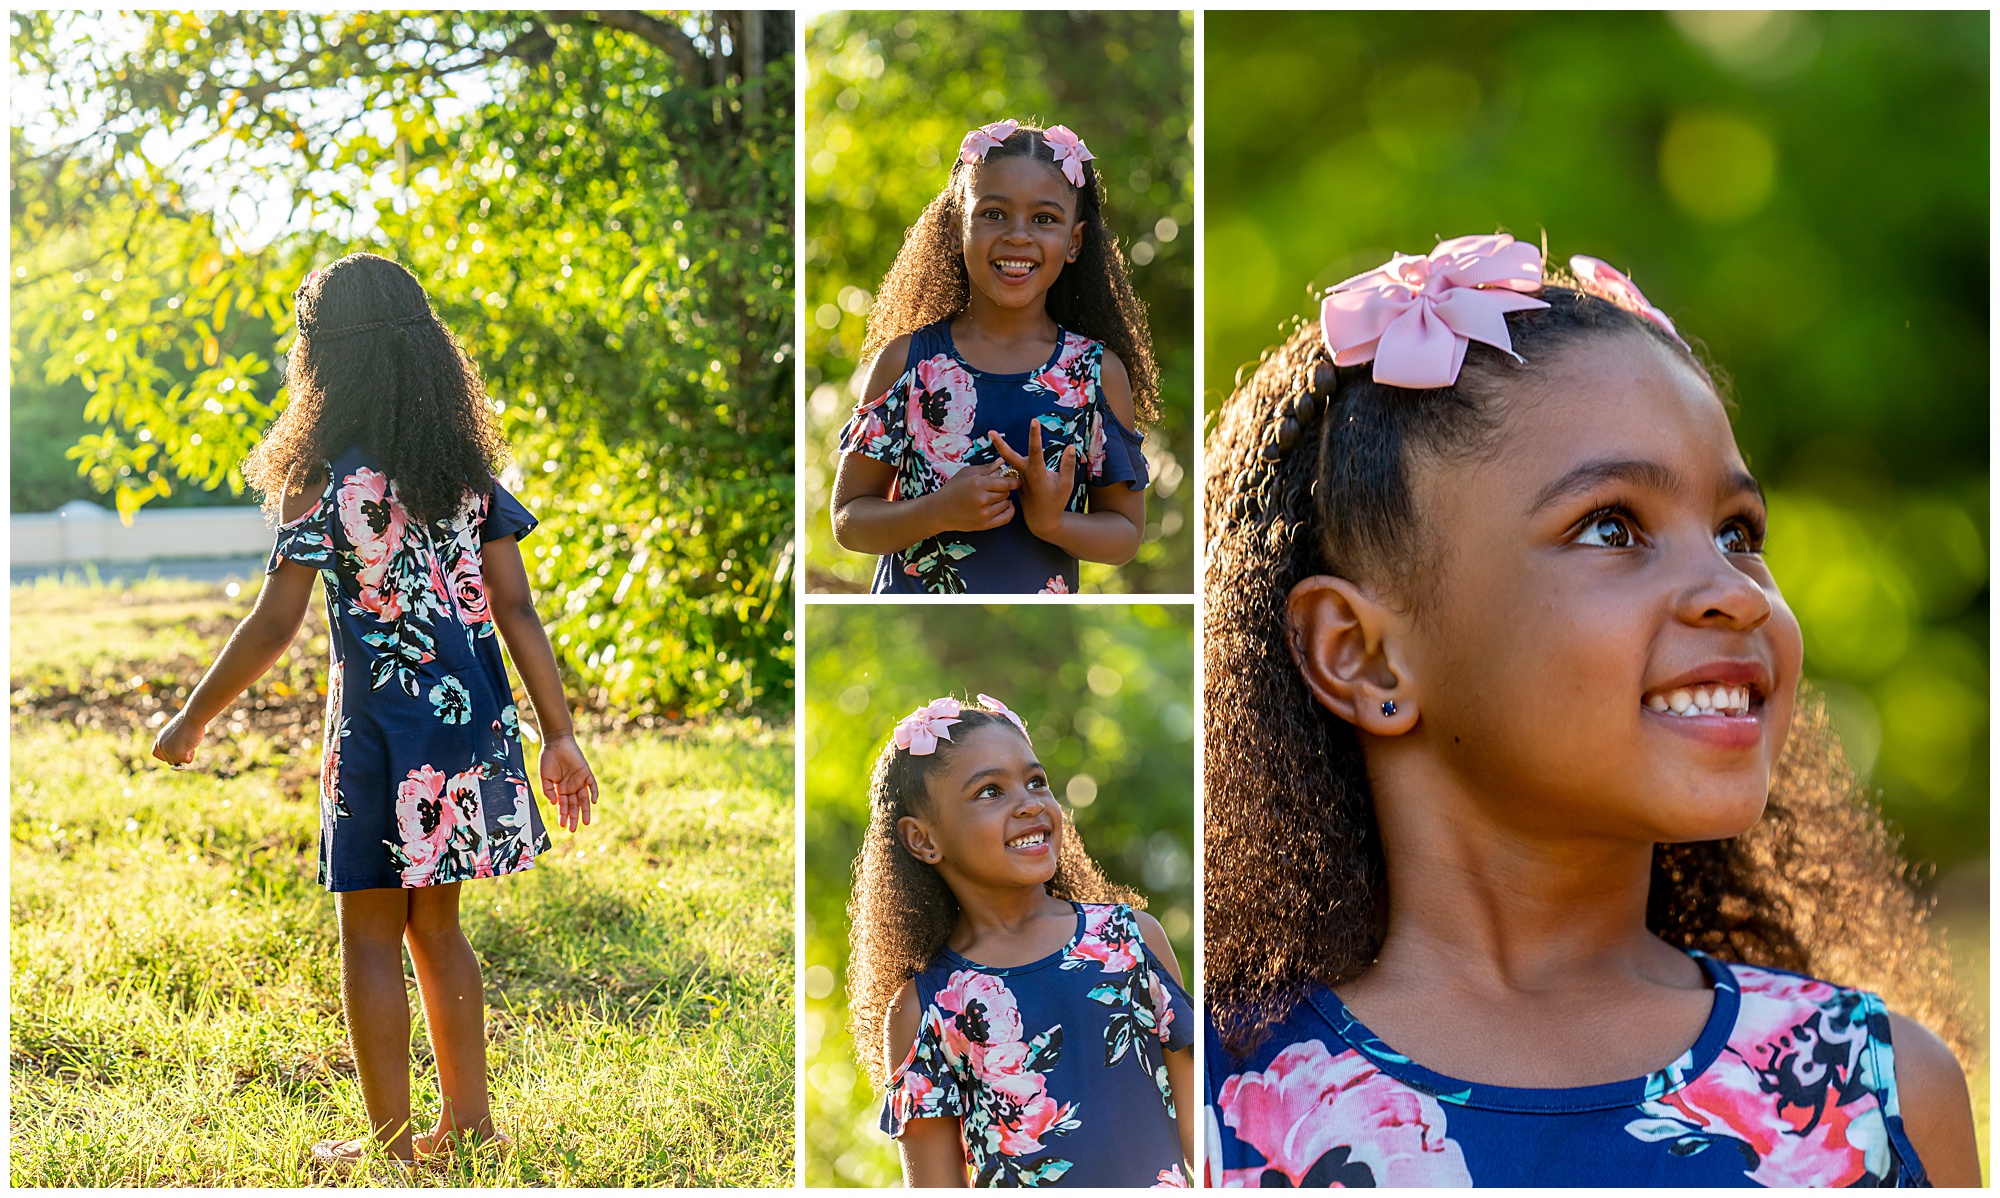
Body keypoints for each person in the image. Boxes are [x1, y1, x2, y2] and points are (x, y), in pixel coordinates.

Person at [1200, 234, 1980, 1187]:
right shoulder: (1203, 1100)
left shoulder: (1875, 1095)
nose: (1736, 593)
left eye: (1738, 531)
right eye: (1612, 526)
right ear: (1359, 654)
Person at [151, 252, 599, 1167]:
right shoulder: (460, 472)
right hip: (470, 726)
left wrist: (192, 717)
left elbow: (273, 623)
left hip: (382, 737)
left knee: (368, 933)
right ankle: (467, 1126)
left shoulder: (322, 478)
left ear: (320, 361)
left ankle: (392, 1146)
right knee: (438, 927)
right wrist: (557, 732)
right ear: (427, 352)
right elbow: (518, 610)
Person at [847, 695, 1193, 1186]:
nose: (1030, 803)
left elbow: (1205, 1139)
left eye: (1036, 782)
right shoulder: (923, 1010)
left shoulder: (1132, 941)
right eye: (990, 791)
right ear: (923, 840)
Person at [832, 120, 1157, 594]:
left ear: (1074, 241)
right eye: (993, 214)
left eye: (1044, 219)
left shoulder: (1096, 374)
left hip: (1036, 644)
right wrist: (938, 510)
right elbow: (848, 519)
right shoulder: (906, 363)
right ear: (954, 225)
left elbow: (1125, 535)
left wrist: (1053, 523)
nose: (1017, 237)